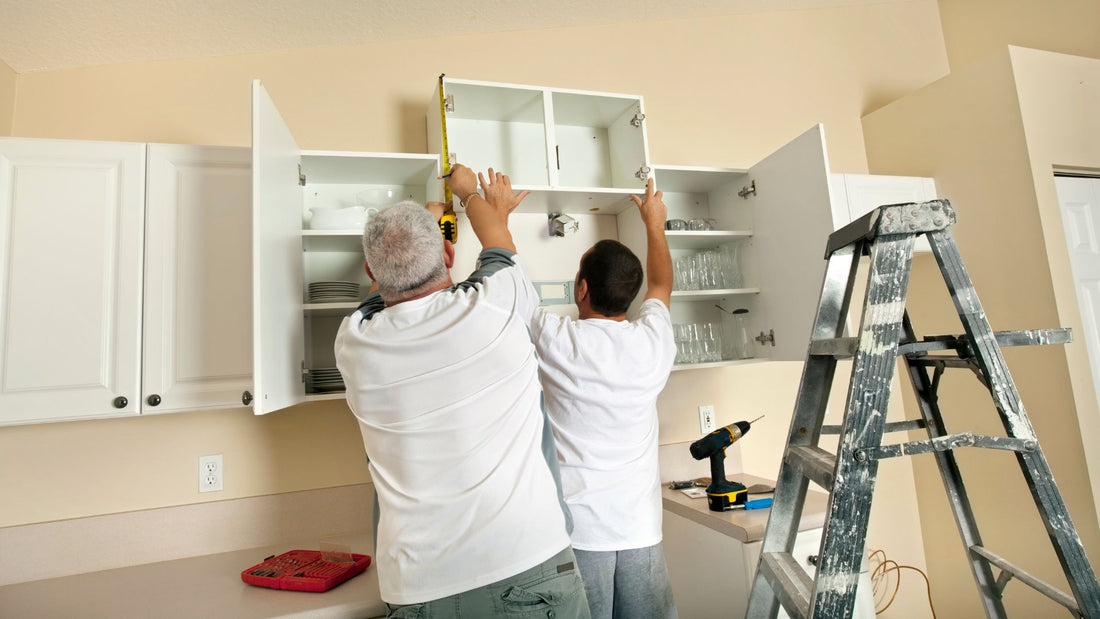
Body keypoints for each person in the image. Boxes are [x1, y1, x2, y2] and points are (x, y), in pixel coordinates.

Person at [334, 164, 590, 618]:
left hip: (419, 588)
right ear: (449, 254)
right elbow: (497, 242)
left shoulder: (354, 343)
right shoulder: (498, 305)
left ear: (372, 271)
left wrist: (430, 221)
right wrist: (470, 192)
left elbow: (383, 295)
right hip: (529, 564)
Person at [529, 178, 678, 619]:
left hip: (579, 534)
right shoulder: (652, 341)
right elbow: (663, 285)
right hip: (641, 531)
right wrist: (654, 225)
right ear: (630, 295)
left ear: (581, 288)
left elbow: (510, 293)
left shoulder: (557, 339)